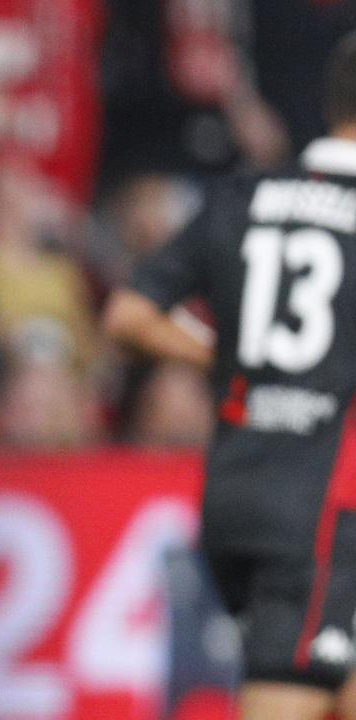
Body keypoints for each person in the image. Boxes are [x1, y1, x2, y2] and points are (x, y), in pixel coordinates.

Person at [103, 32, 356, 720]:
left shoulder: (241, 198)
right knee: (286, 698)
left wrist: (230, 356)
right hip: (321, 515)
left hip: (238, 492)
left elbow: (127, 315)